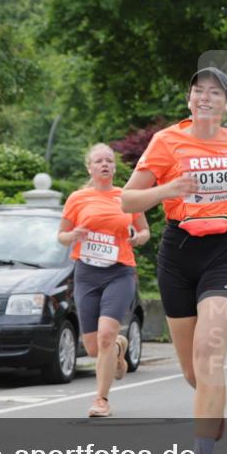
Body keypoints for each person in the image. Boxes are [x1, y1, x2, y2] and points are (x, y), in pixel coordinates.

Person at [121, 67, 227, 454]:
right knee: (194, 371)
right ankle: (213, 410)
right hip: (177, 253)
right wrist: (167, 191)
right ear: (189, 100)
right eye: (199, 91)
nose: (206, 97)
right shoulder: (166, 142)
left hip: (223, 253)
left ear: (226, 104)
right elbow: (128, 199)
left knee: (210, 357)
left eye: (215, 92)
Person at [58, 143, 150, 417]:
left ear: (114, 166)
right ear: (90, 167)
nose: (104, 165)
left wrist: (137, 236)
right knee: (94, 347)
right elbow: (61, 235)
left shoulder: (128, 197)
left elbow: (145, 231)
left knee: (107, 334)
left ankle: (101, 400)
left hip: (119, 272)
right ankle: (120, 348)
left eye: (109, 160)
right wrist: (73, 235)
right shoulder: (77, 198)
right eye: (98, 161)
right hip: (86, 274)